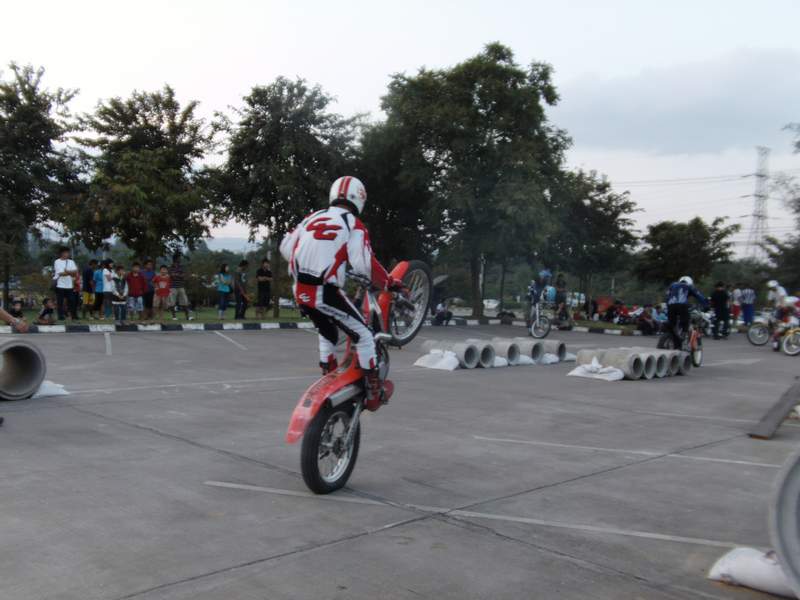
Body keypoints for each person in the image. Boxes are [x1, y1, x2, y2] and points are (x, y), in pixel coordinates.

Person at [279, 175, 401, 410]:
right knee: (365, 335)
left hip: (300, 290)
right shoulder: (353, 224)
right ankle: (373, 393)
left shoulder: (312, 217)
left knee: (327, 330)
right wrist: (388, 282)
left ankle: (329, 374)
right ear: (360, 199)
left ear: (333, 195)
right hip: (324, 291)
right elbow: (364, 264)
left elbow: (285, 247)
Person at [665, 275, 708, 348]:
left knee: (672, 325)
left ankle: (675, 339)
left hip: (670, 305)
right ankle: (683, 334)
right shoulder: (689, 286)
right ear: (690, 282)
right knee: (686, 321)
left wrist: (668, 304)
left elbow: (667, 295)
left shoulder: (672, 285)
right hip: (682, 306)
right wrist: (706, 305)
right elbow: (699, 296)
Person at [53, 247, 79, 321]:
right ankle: (60, 316)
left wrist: (67, 271)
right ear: (62, 253)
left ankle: (73, 315)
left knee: (72, 301)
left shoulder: (71, 262)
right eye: (66, 252)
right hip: (60, 285)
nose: (68, 254)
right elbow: (61, 273)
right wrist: (70, 272)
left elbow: (75, 272)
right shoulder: (57, 262)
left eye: (68, 252)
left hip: (69, 285)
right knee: (60, 302)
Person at [168, 253, 193, 321]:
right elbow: (171, 275)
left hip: (181, 286)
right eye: (179, 258)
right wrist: (179, 275)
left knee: (185, 301)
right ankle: (174, 317)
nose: (180, 259)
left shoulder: (182, 267)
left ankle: (187, 317)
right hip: (172, 286)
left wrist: (177, 275)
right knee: (172, 302)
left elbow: (184, 275)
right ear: (175, 259)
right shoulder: (170, 267)